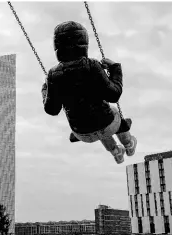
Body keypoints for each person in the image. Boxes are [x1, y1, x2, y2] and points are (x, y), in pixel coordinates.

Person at [42, 21, 137, 164]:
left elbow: (52, 110)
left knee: (96, 121)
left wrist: (45, 90)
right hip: (107, 124)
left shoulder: (53, 75)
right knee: (110, 113)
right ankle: (129, 144)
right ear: (84, 43)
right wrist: (115, 69)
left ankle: (116, 152)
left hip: (81, 134)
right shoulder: (92, 65)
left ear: (57, 46)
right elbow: (114, 95)